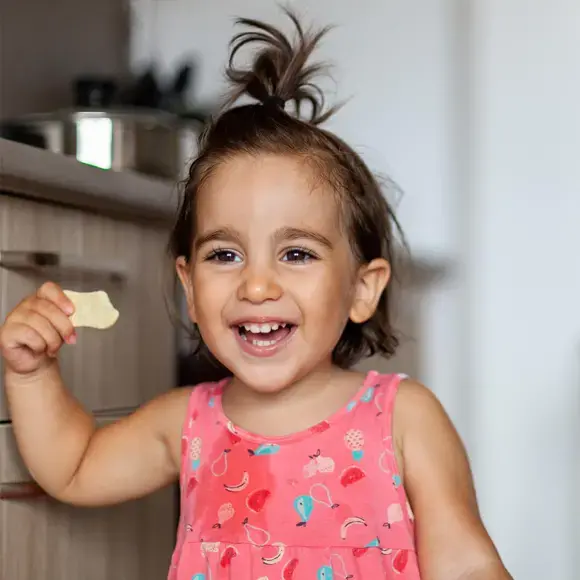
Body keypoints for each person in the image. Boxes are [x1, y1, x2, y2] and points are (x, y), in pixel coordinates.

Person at [0, 10, 512, 580]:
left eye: (296, 254)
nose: (258, 285)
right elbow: (73, 467)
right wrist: (32, 374)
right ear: (190, 288)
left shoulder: (403, 418)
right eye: (225, 255)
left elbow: (465, 564)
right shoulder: (189, 423)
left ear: (362, 290)